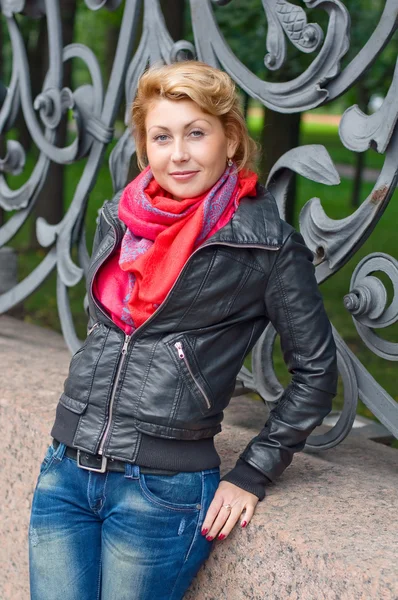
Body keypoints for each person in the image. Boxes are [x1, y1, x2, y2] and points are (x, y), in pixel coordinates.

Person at [28, 61, 338, 600]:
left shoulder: (265, 244)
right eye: (162, 136)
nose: (179, 153)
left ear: (230, 139)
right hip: (65, 471)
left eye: (197, 133)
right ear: (144, 145)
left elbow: (315, 373)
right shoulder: (118, 218)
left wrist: (252, 474)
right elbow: (106, 334)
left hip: (161, 491)